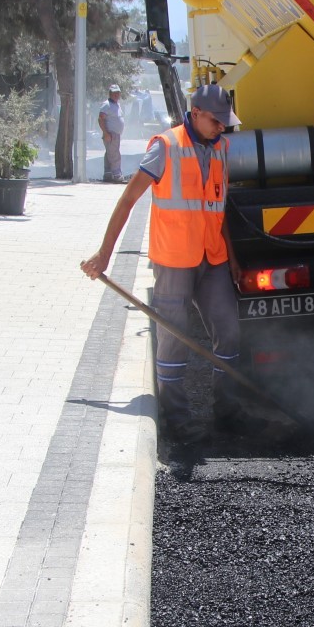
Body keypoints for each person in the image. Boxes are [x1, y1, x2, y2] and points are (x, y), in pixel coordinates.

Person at [81, 83, 245, 442]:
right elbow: (127, 200)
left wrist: (231, 257)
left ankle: (229, 414)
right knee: (173, 338)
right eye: (216, 121)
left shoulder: (222, 149)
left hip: (212, 257)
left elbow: (218, 210)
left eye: (224, 123)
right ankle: (177, 420)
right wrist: (104, 254)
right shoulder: (165, 147)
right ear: (196, 113)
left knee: (228, 330)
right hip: (174, 260)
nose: (222, 128)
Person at [99, 83, 127, 183]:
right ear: (110, 94)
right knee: (114, 155)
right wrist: (106, 133)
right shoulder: (107, 104)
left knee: (109, 154)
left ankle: (108, 174)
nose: (116, 95)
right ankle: (117, 175)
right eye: (114, 93)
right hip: (110, 134)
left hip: (115, 134)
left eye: (118, 93)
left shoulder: (116, 105)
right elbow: (101, 119)